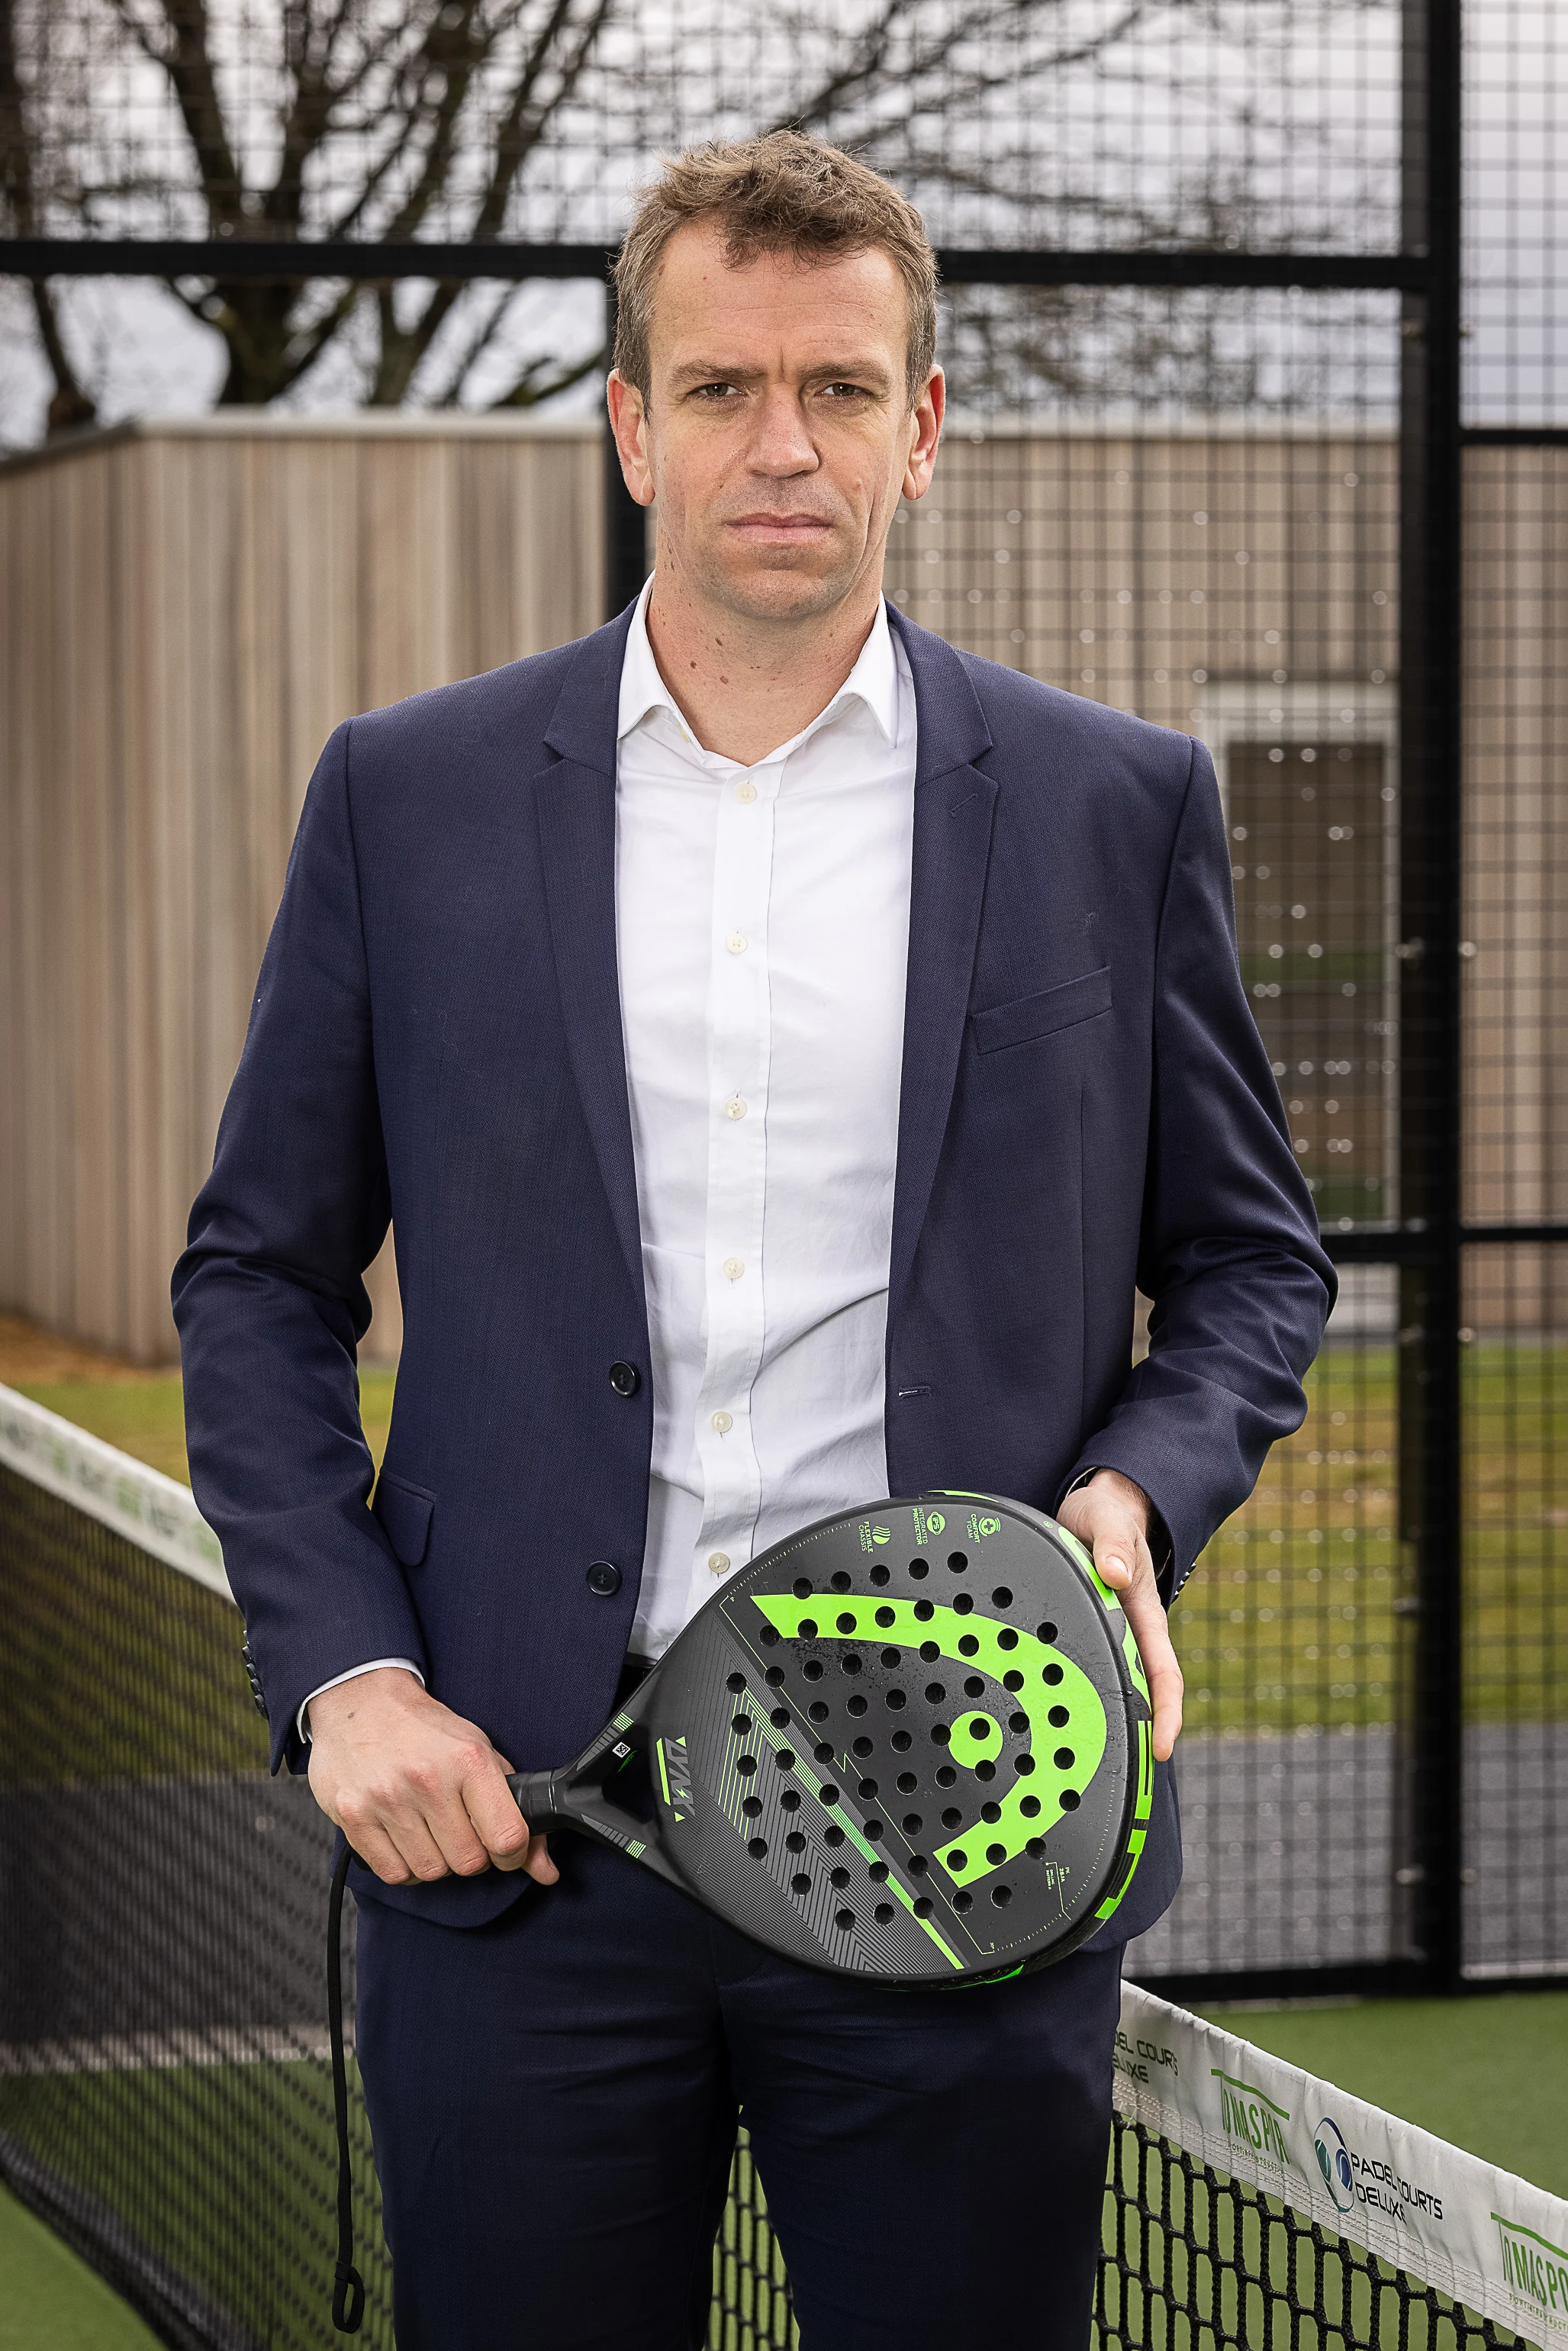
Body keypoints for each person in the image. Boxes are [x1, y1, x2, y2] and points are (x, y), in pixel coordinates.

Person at [174, 130, 1331, 2351]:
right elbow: (256, 1278)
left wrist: (1126, 1496)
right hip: (513, 1835)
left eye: (835, 388)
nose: (775, 443)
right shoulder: (406, 798)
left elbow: (1254, 1267)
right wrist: (347, 1672)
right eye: (714, 389)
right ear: (630, 428)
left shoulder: (1110, 807)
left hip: (955, 1828)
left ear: (917, 433)